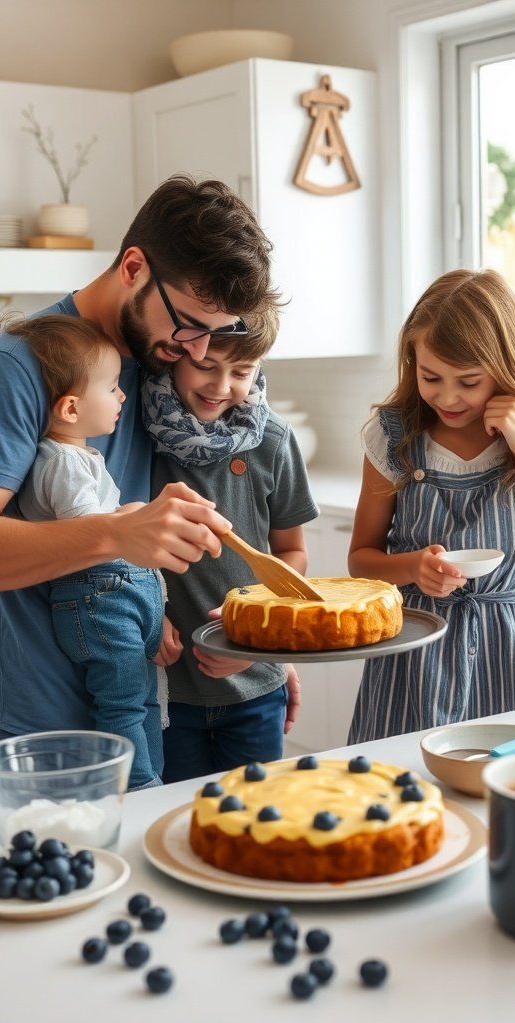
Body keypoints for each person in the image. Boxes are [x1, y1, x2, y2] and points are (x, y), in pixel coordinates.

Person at [0, 174, 288, 742]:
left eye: (218, 333)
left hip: (150, 715)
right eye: (189, 323)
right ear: (133, 267)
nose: (199, 350)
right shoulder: (23, 366)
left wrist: (268, 663)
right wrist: (115, 533)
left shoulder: (162, 371)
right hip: (39, 730)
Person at [347, 267, 515, 742]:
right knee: (403, 787)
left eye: (468, 382)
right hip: (415, 651)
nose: (447, 397)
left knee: (514, 786)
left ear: (506, 366)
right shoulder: (393, 437)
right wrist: (414, 568)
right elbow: (361, 561)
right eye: (431, 376)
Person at [142, 307, 320, 780]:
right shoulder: (137, 435)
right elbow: (119, 544)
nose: (222, 386)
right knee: (180, 817)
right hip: (166, 692)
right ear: (175, 356)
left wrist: (257, 638)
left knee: (256, 814)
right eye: (205, 366)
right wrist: (146, 614)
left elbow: (291, 554)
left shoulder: (273, 441)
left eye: (241, 372)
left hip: (258, 683)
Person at [16, 314, 166, 789]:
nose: (122, 396)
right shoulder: (58, 460)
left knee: (142, 699)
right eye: (112, 387)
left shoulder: (80, 455)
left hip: (118, 596)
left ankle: (150, 778)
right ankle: (139, 787)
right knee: (123, 702)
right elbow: (88, 531)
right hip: (98, 599)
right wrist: (136, 516)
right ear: (71, 409)